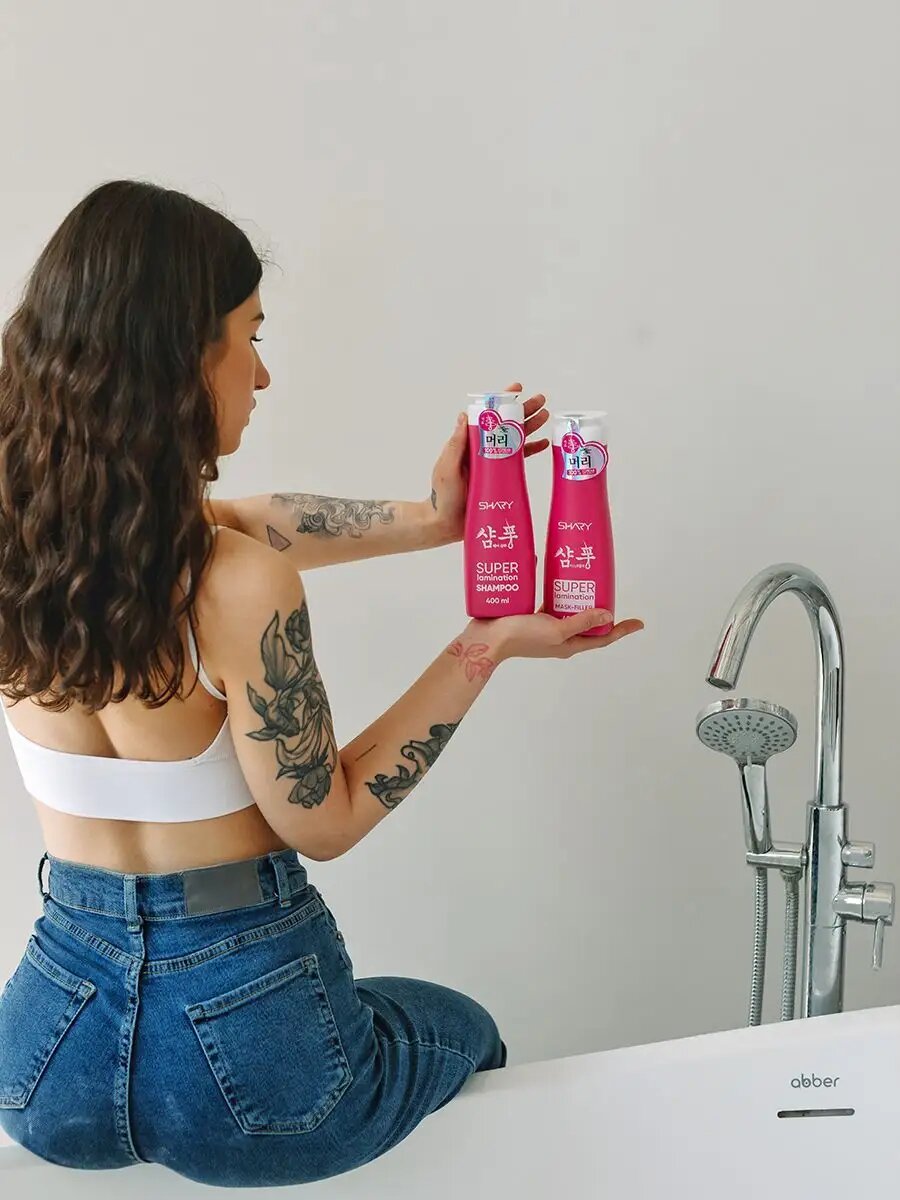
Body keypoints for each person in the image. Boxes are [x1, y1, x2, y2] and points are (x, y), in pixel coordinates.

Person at [0, 180, 643, 1187]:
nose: (261, 374)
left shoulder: (33, 546)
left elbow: (235, 520)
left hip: (46, 1055)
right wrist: (483, 646)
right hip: (250, 1055)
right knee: (464, 1029)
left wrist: (436, 520)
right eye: (249, 336)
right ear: (181, 356)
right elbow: (327, 821)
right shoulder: (238, 583)